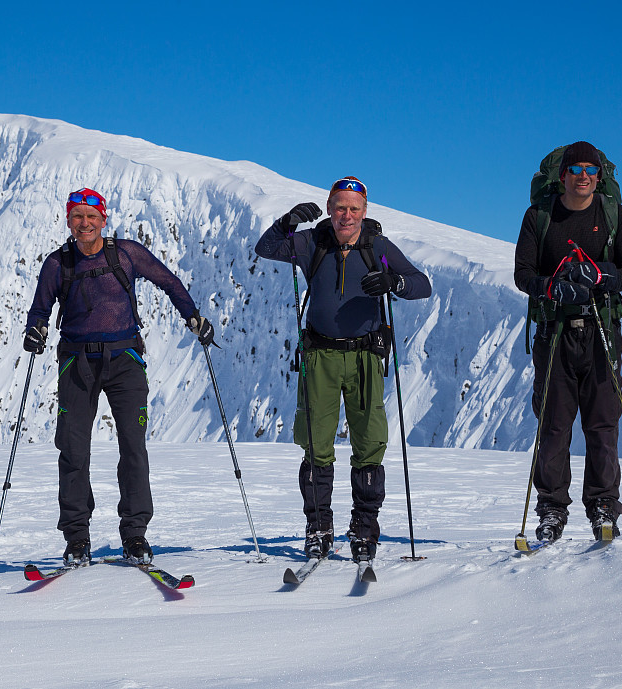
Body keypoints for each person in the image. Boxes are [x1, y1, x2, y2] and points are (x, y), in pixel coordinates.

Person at [24, 188, 215, 565]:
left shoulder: (125, 254)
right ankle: (77, 539)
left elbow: (169, 282)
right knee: (74, 451)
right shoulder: (57, 264)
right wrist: (36, 330)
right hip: (76, 362)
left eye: (91, 216)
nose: (85, 223)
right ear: (68, 221)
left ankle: (135, 535)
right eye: (77, 216)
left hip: (125, 358)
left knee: (133, 447)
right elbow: (39, 309)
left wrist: (193, 316)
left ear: (103, 219)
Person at [255, 176, 431, 562]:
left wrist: (393, 280)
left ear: (365, 213)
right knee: (316, 445)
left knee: (369, 446)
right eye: (339, 208)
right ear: (330, 209)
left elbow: (423, 285)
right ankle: (318, 529)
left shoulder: (378, 248)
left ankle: (364, 529)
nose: (346, 215)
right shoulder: (310, 244)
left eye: (354, 209)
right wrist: (287, 222)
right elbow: (265, 247)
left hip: (365, 357)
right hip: (320, 356)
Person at [514, 141, 622, 541]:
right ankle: (552, 509)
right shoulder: (539, 216)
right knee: (554, 424)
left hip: (602, 331)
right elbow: (523, 274)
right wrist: (552, 288)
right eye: (575, 169)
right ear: (563, 175)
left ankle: (603, 506)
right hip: (555, 332)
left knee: (603, 423)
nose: (583, 175)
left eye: (590, 169)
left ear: (599, 177)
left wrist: (601, 276)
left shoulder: (615, 215)